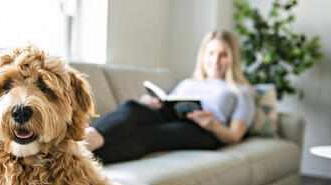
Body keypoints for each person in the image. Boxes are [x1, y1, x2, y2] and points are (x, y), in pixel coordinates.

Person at [85, 30, 256, 164]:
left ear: (232, 58)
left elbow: (235, 136)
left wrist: (213, 125)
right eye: (211, 53)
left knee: (144, 135)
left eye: (223, 55)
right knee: (132, 107)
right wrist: (151, 104)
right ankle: (83, 142)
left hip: (203, 131)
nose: (215, 60)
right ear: (203, 55)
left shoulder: (241, 91)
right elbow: (170, 104)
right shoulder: (189, 82)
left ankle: (81, 159)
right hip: (171, 117)